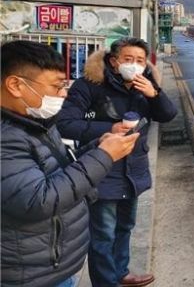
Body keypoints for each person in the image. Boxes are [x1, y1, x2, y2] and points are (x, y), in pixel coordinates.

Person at [1, 40, 139, 287]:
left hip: (47, 264)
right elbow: (39, 200)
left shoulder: (34, 121)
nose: (63, 94)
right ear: (15, 85)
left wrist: (96, 147)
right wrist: (104, 156)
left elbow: (58, 166)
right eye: (57, 86)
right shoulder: (6, 136)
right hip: (28, 274)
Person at [57, 37, 177, 287]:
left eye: (140, 60)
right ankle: (106, 282)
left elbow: (168, 115)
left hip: (133, 170)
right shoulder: (89, 85)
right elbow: (65, 123)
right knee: (103, 234)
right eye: (128, 59)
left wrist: (154, 94)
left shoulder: (146, 85)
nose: (134, 65)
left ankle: (121, 272)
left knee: (125, 226)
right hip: (101, 170)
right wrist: (108, 128)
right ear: (114, 61)